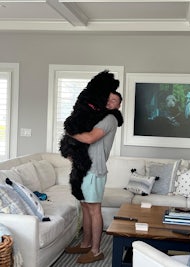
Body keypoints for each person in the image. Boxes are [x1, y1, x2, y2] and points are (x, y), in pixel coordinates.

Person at [65, 91, 122, 264]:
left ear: (118, 106)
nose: (110, 102)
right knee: (85, 207)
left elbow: (89, 138)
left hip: (94, 170)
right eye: (108, 98)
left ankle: (96, 251)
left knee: (94, 209)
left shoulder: (109, 119)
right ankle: (85, 244)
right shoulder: (95, 117)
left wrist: (70, 131)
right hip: (82, 169)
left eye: (115, 101)